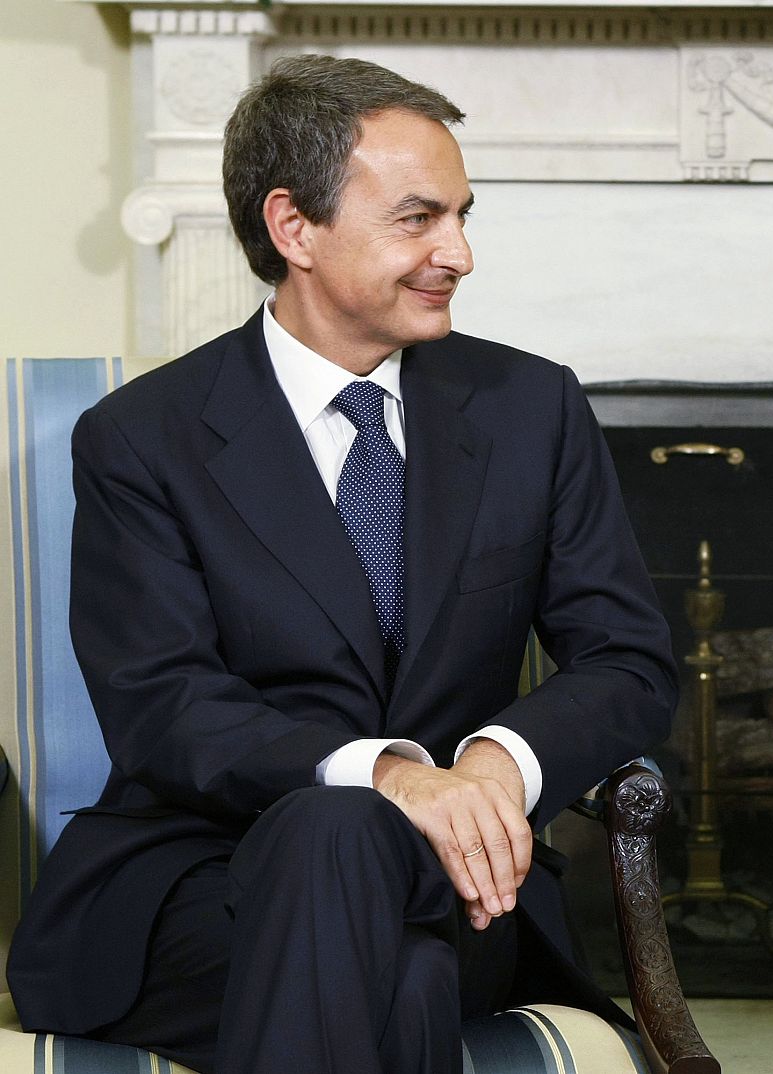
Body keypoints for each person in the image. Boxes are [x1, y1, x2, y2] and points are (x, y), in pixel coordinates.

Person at [6, 55, 677, 1074]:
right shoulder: (144, 438)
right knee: (366, 906)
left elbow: (626, 662)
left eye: (461, 215)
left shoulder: (529, 410)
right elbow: (163, 708)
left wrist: (493, 765)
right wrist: (390, 777)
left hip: (463, 883)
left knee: (367, 897)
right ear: (293, 228)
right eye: (418, 218)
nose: (457, 251)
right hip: (201, 886)